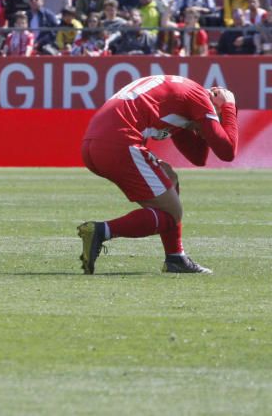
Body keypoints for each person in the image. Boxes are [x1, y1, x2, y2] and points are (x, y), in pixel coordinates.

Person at [78, 76, 238, 275]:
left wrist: (202, 127)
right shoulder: (198, 96)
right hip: (119, 143)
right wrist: (229, 106)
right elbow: (227, 151)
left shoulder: (183, 97)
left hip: (93, 144)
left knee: (169, 177)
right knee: (172, 214)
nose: (208, 131)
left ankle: (175, 258)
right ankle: (101, 231)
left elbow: (198, 157)